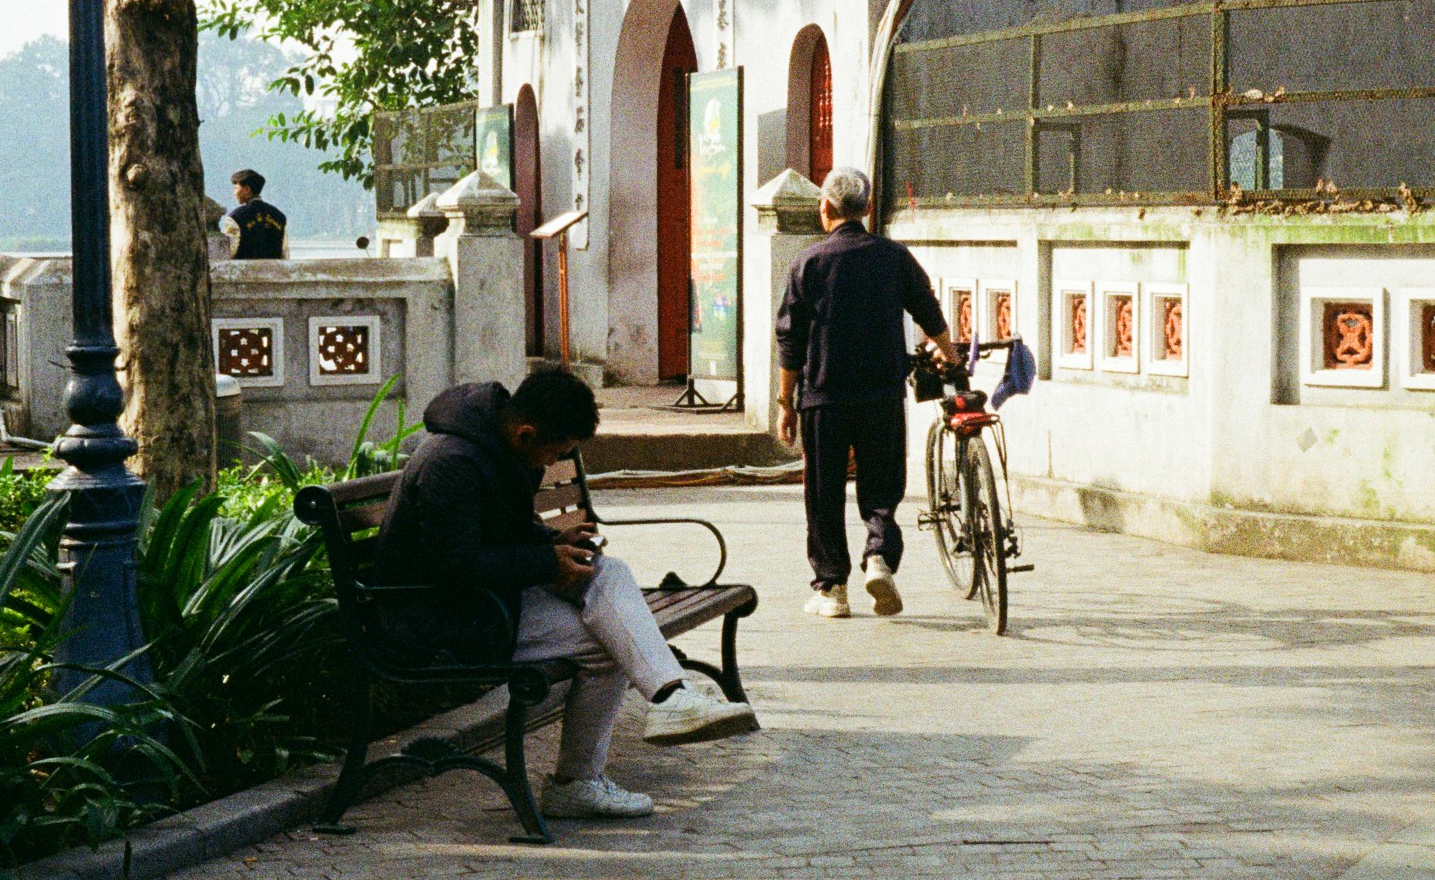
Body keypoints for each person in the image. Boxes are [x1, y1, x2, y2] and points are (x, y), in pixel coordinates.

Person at [376, 367, 757, 821]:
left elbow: (500, 535)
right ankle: (590, 771)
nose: (551, 462)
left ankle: (668, 701)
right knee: (610, 643)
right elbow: (453, 565)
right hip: (438, 620)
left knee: (608, 574)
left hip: (484, 602)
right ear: (526, 433)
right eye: (555, 453)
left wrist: (549, 544)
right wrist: (544, 563)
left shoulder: (498, 446)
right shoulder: (452, 464)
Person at [774, 166, 951, 619]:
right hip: (881, 394)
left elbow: (790, 340)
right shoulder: (892, 256)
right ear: (868, 209)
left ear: (826, 208)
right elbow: (927, 306)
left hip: (823, 396)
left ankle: (832, 588)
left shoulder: (809, 263)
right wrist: (948, 351)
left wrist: (785, 404)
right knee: (882, 485)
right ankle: (879, 557)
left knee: (823, 491)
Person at [226, 169, 287, 260]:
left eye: (236, 188)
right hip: (273, 271)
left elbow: (230, 251)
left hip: (244, 271)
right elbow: (284, 252)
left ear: (247, 189)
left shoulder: (235, 217)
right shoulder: (279, 216)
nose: (234, 193)